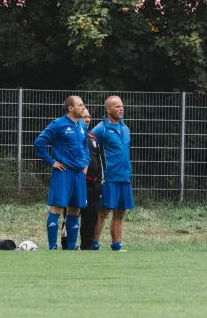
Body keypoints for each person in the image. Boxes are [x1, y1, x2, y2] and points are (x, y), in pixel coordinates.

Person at [34, 96, 90, 250]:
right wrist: (52, 162)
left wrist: (86, 162)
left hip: (79, 173)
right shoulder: (58, 124)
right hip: (63, 172)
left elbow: (85, 146)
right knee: (57, 208)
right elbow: (39, 142)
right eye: (80, 105)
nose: (83, 107)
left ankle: (71, 247)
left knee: (76, 208)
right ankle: (53, 246)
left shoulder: (82, 126)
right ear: (70, 108)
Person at [91, 96, 134, 251]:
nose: (121, 109)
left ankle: (116, 246)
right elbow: (90, 149)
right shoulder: (100, 129)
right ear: (108, 109)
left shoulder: (125, 128)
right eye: (117, 107)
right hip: (108, 178)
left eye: (122, 106)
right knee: (102, 211)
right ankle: (93, 244)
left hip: (124, 177)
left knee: (120, 212)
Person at [61, 107, 105, 250]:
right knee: (72, 215)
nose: (87, 119)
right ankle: (67, 245)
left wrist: (100, 180)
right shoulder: (70, 136)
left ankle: (87, 246)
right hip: (77, 182)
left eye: (88, 117)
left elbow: (99, 160)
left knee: (91, 217)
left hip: (94, 185)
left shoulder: (92, 137)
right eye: (83, 117)